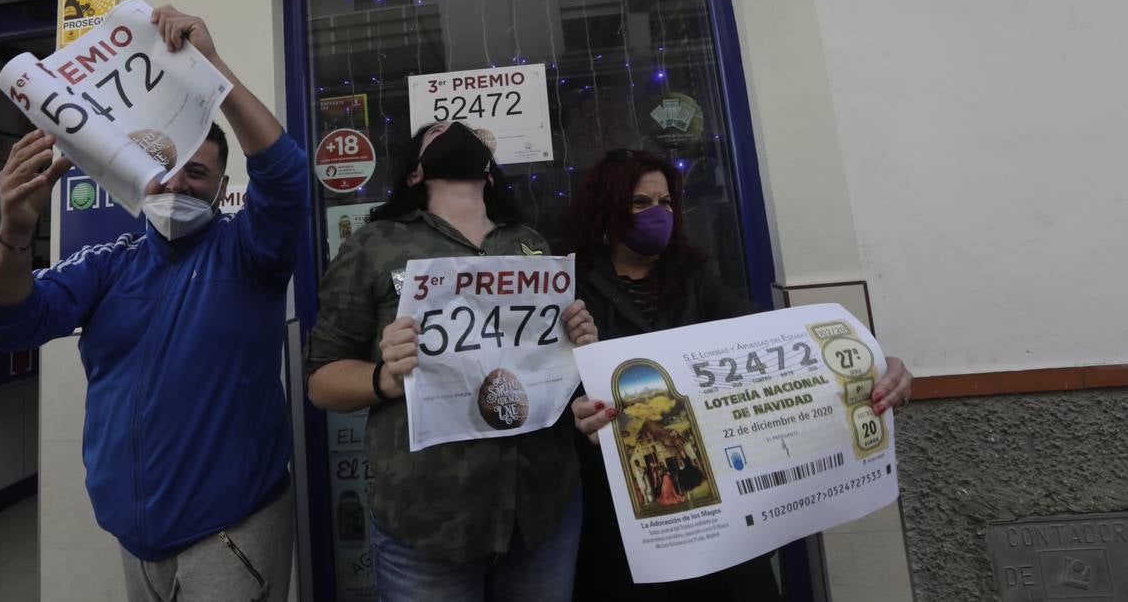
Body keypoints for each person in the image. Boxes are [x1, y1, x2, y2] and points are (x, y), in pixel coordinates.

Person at [0, 6, 308, 602]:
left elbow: (284, 174)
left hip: (233, 526)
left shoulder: (250, 253)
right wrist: (15, 232)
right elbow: (4, 325)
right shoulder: (106, 263)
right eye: (165, 168)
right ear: (138, 174)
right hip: (132, 533)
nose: (178, 183)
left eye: (197, 173)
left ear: (223, 186)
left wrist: (213, 71)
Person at [566, 150, 914, 601]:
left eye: (666, 202)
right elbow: (556, 390)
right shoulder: (572, 285)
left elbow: (768, 343)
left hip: (715, 502)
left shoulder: (694, 275)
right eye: (640, 203)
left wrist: (871, 365)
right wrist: (578, 411)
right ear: (608, 208)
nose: (658, 214)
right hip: (623, 512)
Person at [305, 121, 599, 602]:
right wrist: (388, 377)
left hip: (543, 509)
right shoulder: (373, 245)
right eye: (436, 132)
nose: (457, 129)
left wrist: (580, 345)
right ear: (415, 173)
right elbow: (321, 381)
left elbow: (550, 371)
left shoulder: (530, 245)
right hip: (427, 521)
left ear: (489, 173)